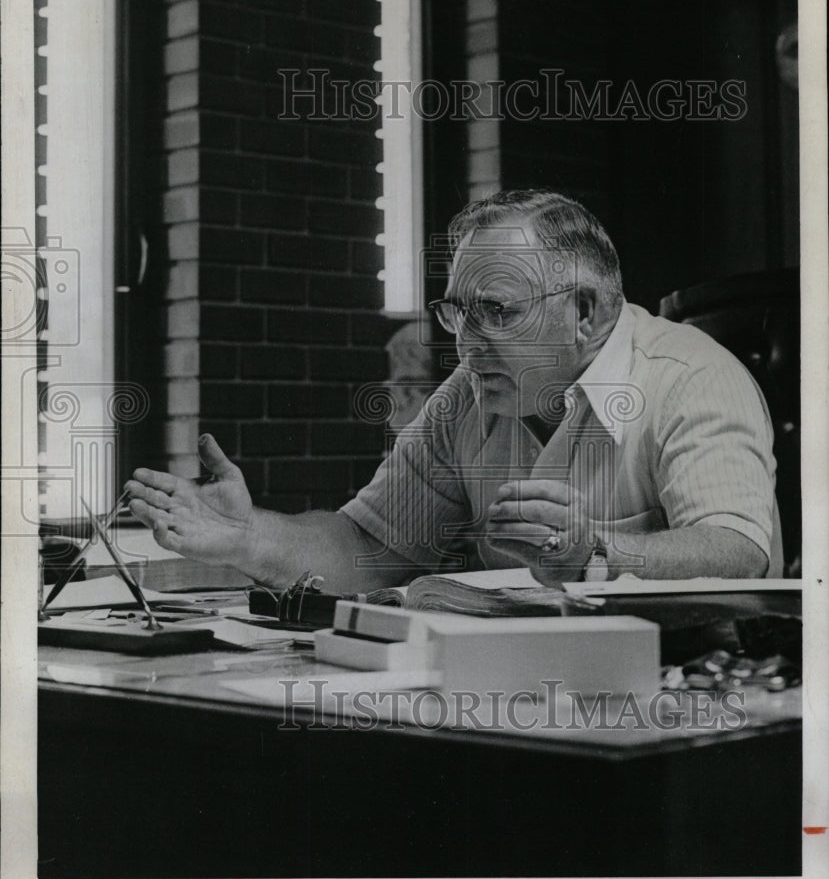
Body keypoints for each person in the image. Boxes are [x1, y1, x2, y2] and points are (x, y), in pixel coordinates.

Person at [126, 189, 782, 591]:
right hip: (529, 681)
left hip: (692, 688)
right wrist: (247, 536)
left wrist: (600, 553)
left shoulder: (689, 378)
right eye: (457, 311)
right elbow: (371, 548)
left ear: (585, 313)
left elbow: (738, 552)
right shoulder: (466, 397)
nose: (468, 342)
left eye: (497, 311)